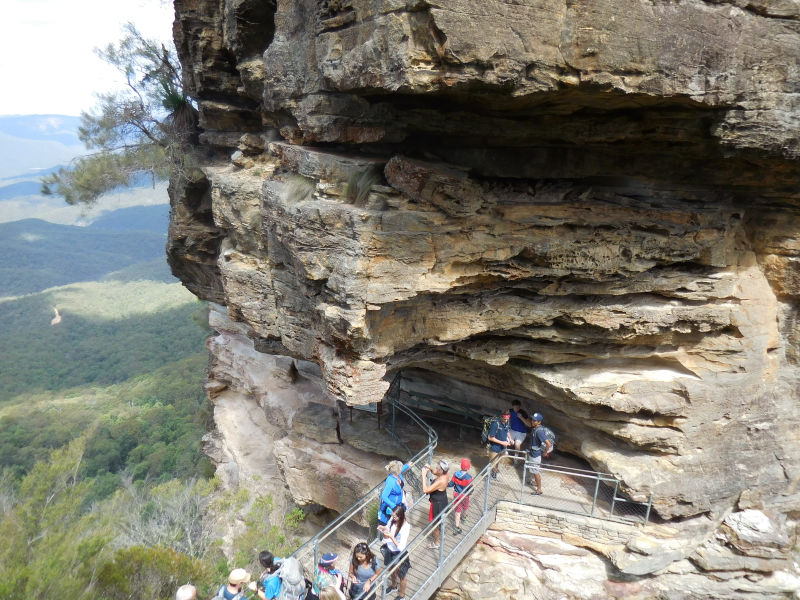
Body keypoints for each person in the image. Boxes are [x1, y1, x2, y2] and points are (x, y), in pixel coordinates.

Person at [379, 505, 411, 600]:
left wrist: (391, 537)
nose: (393, 518)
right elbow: (388, 527)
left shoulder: (405, 527)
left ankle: (402, 595)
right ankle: (394, 586)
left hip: (399, 553)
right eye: (392, 516)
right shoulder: (393, 520)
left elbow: (401, 547)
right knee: (391, 569)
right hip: (390, 549)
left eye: (395, 517)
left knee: (402, 575)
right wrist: (384, 528)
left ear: (401, 516)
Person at [421, 459, 449, 549]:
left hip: (438, 504)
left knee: (435, 524)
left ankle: (437, 543)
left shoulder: (441, 481)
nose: (435, 469)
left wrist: (423, 476)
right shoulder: (445, 474)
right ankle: (441, 535)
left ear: (441, 470)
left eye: (437, 468)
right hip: (442, 500)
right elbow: (436, 473)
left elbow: (425, 490)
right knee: (439, 521)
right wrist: (430, 468)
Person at [378, 460, 413, 526]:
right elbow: (384, 496)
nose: (402, 468)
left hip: (398, 504)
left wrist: (407, 465)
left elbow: (401, 469)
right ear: (397, 470)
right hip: (391, 507)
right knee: (388, 525)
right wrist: (394, 506)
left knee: (396, 523)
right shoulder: (391, 481)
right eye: (401, 467)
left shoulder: (397, 474)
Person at [528, 412, 553, 495]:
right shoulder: (535, 428)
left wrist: (545, 452)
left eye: (535, 421)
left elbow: (548, 443)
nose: (532, 421)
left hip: (535, 454)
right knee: (534, 470)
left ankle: (539, 490)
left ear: (539, 422)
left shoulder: (539, 431)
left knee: (536, 472)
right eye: (532, 419)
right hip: (532, 452)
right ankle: (535, 483)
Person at [448, 458, 473, 534]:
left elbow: (451, 484)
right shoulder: (469, 477)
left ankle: (457, 527)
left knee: (457, 511)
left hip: (456, 494)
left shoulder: (455, 474)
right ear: (468, 468)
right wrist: (470, 492)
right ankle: (464, 517)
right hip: (464, 495)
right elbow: (470, 488)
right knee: (465, 507)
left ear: (461, 466)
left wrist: (445, 485)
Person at [487, 412, 512, 479]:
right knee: (492, 463)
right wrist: (502, 443)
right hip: (494, 448)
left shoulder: (506, 423)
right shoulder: (495, 424)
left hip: (501, 448)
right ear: (501, 417)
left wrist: (510, 439)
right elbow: (490, 437)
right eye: (504, 419)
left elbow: (507, 431)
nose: (506, 421)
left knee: (497, 462)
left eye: (507, 419)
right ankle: (488, 478)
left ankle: (494, 475)